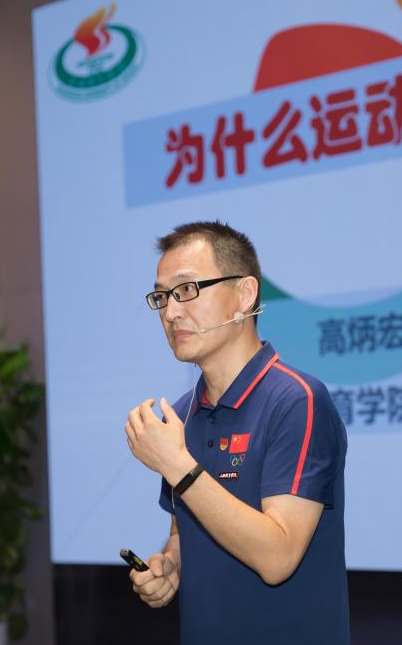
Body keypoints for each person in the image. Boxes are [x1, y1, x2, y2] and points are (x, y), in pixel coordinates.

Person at [124, 220, 349, 644]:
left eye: (187, 289)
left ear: (245, 295)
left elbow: (278, 557)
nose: (171, 313)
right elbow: (183, 532)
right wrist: (170, 566)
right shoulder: (181, 415)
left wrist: (177, 465)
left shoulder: (297, 400)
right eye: (162, 297)